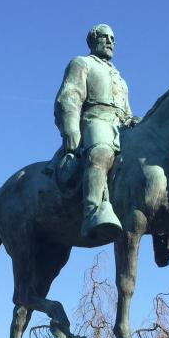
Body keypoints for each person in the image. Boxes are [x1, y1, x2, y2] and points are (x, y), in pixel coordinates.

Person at [54, 23, 135, 241]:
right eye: (104, 37)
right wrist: (70, 129)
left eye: (113, 39)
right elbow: (69, 96)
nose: (110, 42)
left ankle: (167, 235)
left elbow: (126, 110)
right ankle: (91, 212)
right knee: (101, 152)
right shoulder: (82, 63)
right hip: (95, 119)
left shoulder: (120, 77)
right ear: (92, 40)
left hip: (121, 125)